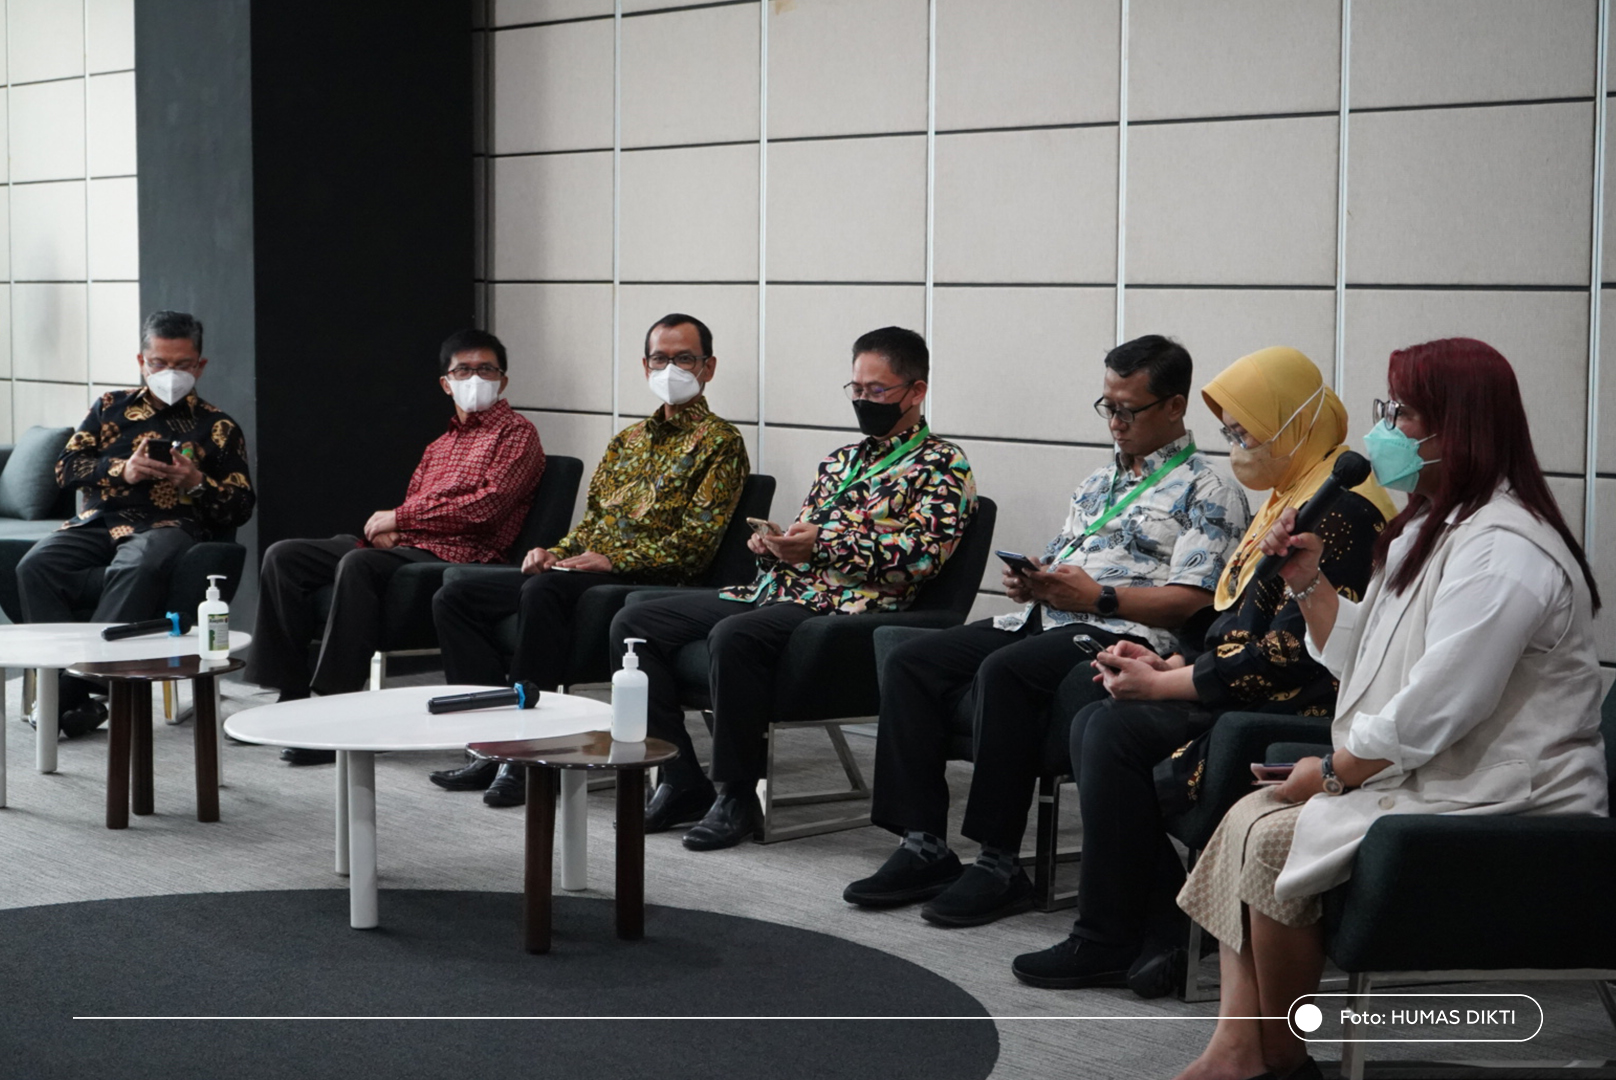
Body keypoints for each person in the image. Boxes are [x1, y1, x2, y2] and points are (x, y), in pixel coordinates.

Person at [1172, 338, 1606, 1080]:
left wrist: (1332, 773)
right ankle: (1241, 1048)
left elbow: (1440, 705)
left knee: (1275, 840)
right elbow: (1371, 662)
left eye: (1401, 413)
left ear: (1455, 428)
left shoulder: (1505, 551)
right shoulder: (1435, 527)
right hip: (1441, 771)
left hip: (1510, 798)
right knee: (1248, 817)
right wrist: (1308, 583)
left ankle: (1280, 1059)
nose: (1385, 430)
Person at [1012, 346, 1396, 998]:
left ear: (1295, 423)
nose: (1237, 447)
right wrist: (1175, 660)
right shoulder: (1294, 496)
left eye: (1247, 432)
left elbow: (1290, 653)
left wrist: (1166, 683)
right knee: (1097, 717)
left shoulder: (1344, 509)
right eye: (1232, 433)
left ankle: (1119, 932)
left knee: (1109, 728)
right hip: (1240, 687)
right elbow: (1238, 624)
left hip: (1294, 707)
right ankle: (1159, 923)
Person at [845, 335, 1250, 928]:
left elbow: (1193, 601)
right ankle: (923, 845)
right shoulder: (1097, 483)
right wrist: (1034, 581)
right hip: (1047, 618)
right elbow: (1065, 561)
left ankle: (998, 862)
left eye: (1128, 410)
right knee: (912, 661)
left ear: (1174, 406)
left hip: (1124, 632)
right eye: (1107, 407)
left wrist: (1097, 596)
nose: (1114, 422)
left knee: (1005, 671)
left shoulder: (1210, 491)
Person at [610, 326, 976, 850]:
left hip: (846, 606)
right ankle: (679, 777)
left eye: (877, 390)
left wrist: (822, 546)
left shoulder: (942, 465)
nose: (863, 400)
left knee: (736, 636)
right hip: (777, 589)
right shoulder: (842, 460)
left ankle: (737, 794)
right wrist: (775, 544)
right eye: (856, 389)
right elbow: (808, 533)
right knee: (635, 622)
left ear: (916, 391)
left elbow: (920, 558)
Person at [428, 313, 750, 807]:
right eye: (660, 359)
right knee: (456, 595)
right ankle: (491, 742)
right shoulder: (627, 442)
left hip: (653, 582)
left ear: (708, 367)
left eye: (684, 358)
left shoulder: (721, 442)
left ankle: (528, 751)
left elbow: (694, 546)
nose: (670, 369)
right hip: (589, 572)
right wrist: (557, 551)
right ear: (644, 366)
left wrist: (611, 559)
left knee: (543, 590)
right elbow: (592, 523)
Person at [245, 329, 544, 763]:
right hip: (412, 545)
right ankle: (290, 698)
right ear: (446, 383)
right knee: (286, 556)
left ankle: (334, 711)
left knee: (359, 564)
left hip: (462, 555)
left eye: (486, 369)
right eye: (463, 370)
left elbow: (487, 509)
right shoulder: (439, 445)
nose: (475, 378)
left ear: (503, 380)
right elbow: (414, 505)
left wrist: (400, 520)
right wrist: (397, 527)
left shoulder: (517, 434)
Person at [18, 310, 255, 736]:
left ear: (200, 366)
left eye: (182, 364)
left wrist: (197, 482)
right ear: (142, 361)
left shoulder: (219, 427)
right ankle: (73, 688)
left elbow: (241, 505)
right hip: (99, 521)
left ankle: (73, 687)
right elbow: (65, 468)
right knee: (35, 566)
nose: (170, 373)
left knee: (139, 564)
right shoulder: (110, 407)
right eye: (159, 363)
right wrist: (121, 470)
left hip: (168, 526)